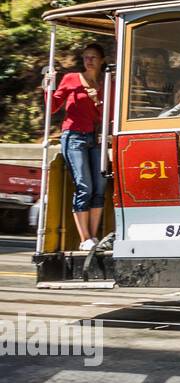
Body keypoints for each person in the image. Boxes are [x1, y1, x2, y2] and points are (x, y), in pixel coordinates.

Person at [47, 42, 108, 250]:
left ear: (101, 61)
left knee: (99, 187)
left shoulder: (106, 84)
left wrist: (97, 102)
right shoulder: (71, 79)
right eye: (85, 57)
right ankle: (85, 239)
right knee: (84, 186)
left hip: (95, 137)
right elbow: (53, 107)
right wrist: (50, 86)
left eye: (93, 57)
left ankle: (93, 236)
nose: (89, 60)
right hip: (74, 136)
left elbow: (107, 116)